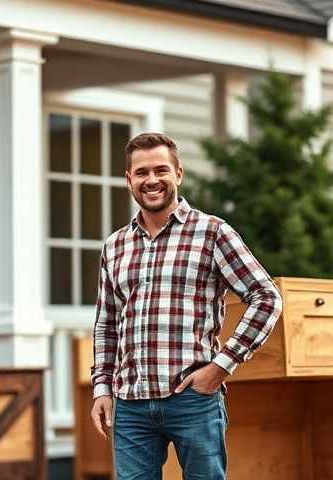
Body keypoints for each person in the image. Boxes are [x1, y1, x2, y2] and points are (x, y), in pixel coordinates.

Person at [90, 132, 283, 479]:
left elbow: (266, 297)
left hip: (192, 400)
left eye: (161, 170)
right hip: (131, 405)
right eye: (142, 172)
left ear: (178, 174)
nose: (152, 180)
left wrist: (222, 366)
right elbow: (107, 323)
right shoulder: (115, 246)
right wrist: (102, 389)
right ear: (129, 180)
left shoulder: (212, 233)